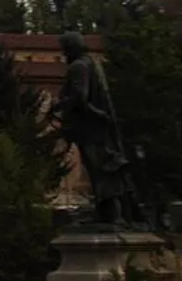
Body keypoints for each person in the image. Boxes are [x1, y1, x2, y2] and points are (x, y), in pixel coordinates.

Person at [54, 31, 137, 225]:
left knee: (99, 170)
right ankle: (110, 215)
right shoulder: (93, 64)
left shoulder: (78, 66)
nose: (63, 54)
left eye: (64, 49)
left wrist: (61, 105)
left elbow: (79, 97)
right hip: (99, 127)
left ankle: (113, 216)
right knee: (105, 169)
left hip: (90, 128)